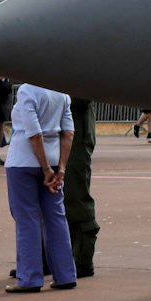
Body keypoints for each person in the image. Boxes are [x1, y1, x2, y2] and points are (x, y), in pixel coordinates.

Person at [5, 82, 76, 293]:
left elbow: (34, 134)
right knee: (56, 216)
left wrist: (45, 169)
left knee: (27, 218)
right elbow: (68, 133)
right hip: (54, 159)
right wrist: (60, 168)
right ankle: (65, 275)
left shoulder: (27, 90)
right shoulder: (62, 92)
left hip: (24, 161)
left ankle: (30, 278)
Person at [63, 98, 99, 277]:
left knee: (75, 194)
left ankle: (82, 256)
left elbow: (82, 95)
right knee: (48, 196)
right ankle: (47, 255)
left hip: (76, 130)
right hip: (54, 127)